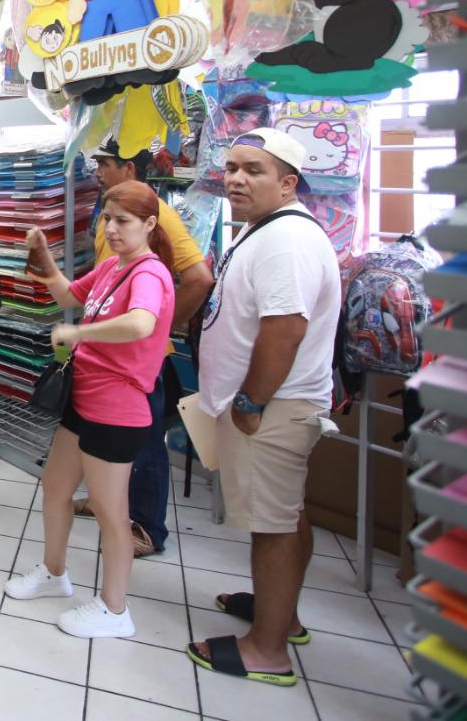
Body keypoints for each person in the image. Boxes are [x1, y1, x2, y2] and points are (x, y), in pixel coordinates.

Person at [186, 128, 339, 688]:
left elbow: (285, 330)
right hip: (271, 404)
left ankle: (267, 651)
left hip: (272, 408)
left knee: (271, 526)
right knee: (288, 513)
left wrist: (250, 402)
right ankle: (282, 615)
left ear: (287, 182)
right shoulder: (267, 231)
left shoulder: (285, 240)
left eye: (253, 169)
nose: (235, 178)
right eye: (231, 168)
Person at [5, 181, 176, 638]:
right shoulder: (111, 267)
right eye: (107, 218)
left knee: (109, 511)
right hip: (83, 399)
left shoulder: (149, 274)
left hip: (117, 408)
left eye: (123, 221)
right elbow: (67, 296)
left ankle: (115, 610)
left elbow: (141, 323)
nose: (112, 228)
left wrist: (79, 336)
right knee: (55, 486)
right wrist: (42, 255)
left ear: (150, 225)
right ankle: (54, 572)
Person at [76, 139, 213, 558]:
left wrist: (159, 328)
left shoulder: (157, 216)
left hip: (138, 361)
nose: (97, 172)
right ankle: (105, 503)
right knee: (103, 438)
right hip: (105, 359)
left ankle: (149, 528)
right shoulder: (111, 213)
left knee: (146, 443)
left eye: (104, 164)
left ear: (129, 170)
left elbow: (200, 279)